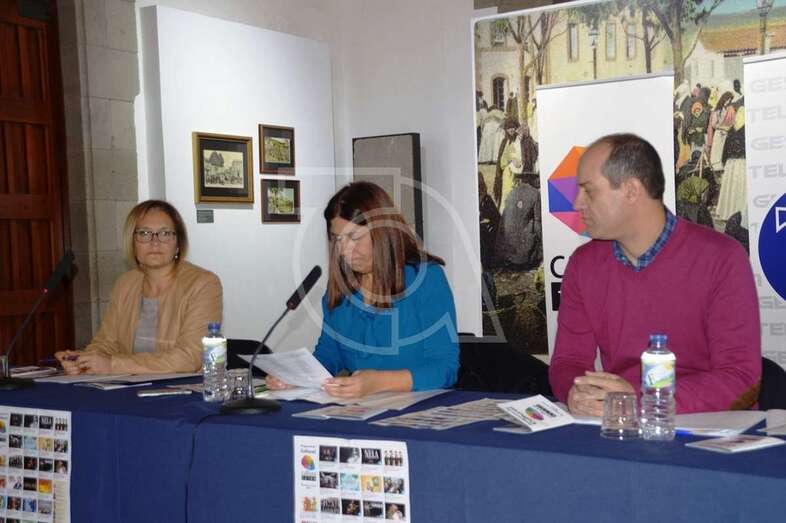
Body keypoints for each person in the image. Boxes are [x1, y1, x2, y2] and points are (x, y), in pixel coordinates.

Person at [548, 134, 760, 416]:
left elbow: (741, 380)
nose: (577, 203)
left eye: (589, 190)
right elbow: (568, 361)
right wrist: (576, 393)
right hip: (619, 427)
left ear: (632, 191)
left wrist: (641, 400)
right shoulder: (583, 265)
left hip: (709, 430)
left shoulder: (722, 258)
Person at [266, 182, 459, 398]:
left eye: (355, 238)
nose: (344, 251)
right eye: (336, 239)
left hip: (419, 414)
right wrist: (296, 378)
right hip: (360, 412)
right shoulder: (340, 289)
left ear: (383, 233)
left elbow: (444, 369)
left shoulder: (426, 278)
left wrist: (377, 382)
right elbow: (329, 356)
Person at [55, 200, 222, 374]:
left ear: (178, 243)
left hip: (183, 392)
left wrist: (112, 365)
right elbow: (106, 343)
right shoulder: (125, 283)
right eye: (144, 233)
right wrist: (82, 361)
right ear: (133, 242)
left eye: (164, 233)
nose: (154, 242)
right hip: (129, 390)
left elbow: (190, 358)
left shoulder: (203, 284)